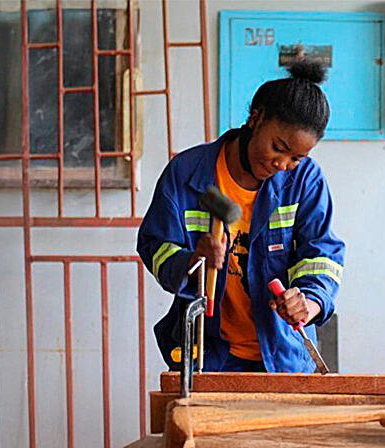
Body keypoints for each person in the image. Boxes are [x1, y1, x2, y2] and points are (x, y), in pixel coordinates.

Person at [137, 61, 345, 373]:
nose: (282, 163)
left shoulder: (305, 180)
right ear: (255, 118)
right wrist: (194, 261)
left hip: (282, 357)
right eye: (278, 147)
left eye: (296, 158)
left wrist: (309, 302)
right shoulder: (186, 173)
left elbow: (321, 254)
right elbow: (156, 247)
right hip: (207, 356)